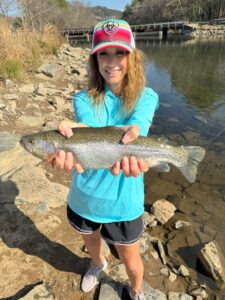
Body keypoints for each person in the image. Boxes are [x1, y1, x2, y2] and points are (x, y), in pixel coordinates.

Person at [54, 19, 159, 300]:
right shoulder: (83, 98)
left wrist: (133, 133)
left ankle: (136, 291)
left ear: (133, 57)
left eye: (119, 52)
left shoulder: (146, 97)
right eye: (103, 53)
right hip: (83, 198)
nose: (111, 61)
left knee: (131, 261)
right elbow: (88, 126)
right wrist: (73, 134)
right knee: (91, 242)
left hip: (124, 205)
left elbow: (139, 126)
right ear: (94, 59)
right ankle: (98, 263)